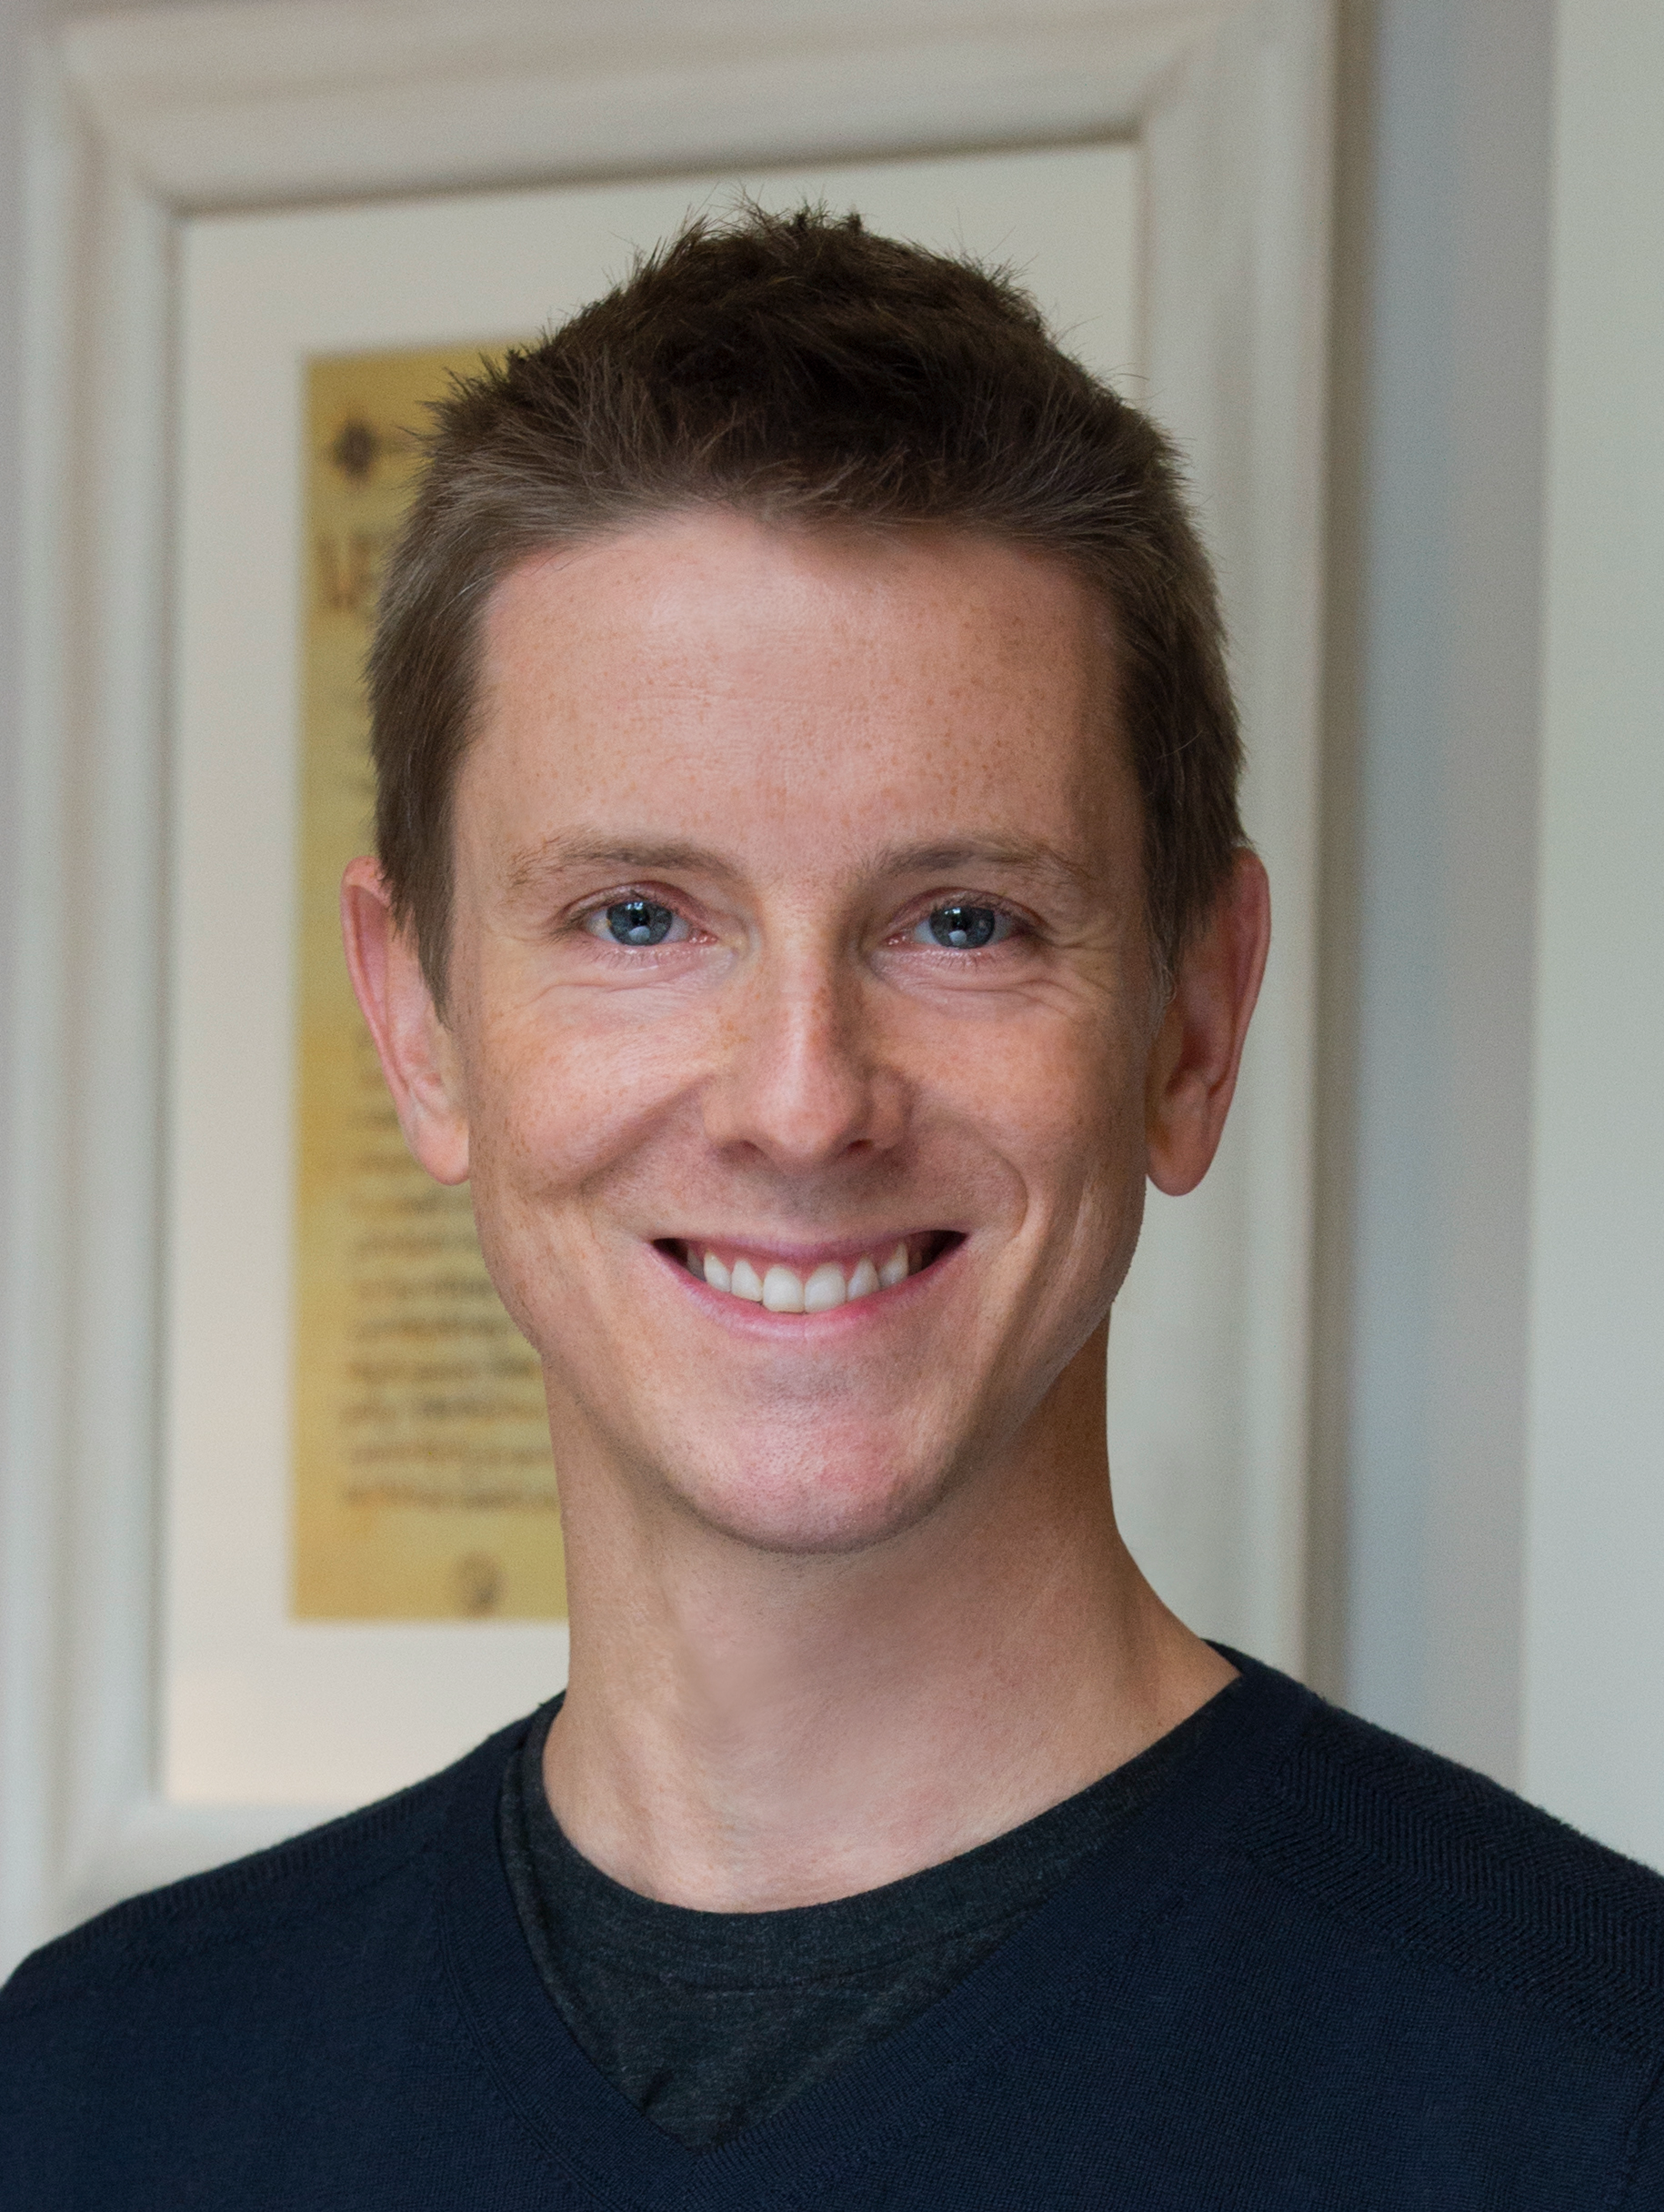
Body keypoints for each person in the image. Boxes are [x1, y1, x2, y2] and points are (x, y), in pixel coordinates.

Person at [4, 206, 1661, 2210]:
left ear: (1194, 1023)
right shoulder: (90, 2101)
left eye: (964, 921)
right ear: (419, 1019)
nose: (803, 1103)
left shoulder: (1592, 2092)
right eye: (638, 917)